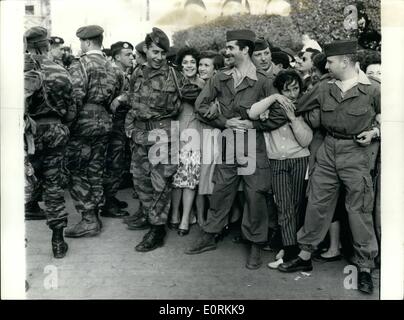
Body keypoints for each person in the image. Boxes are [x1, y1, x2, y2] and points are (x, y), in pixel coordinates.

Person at [278, 40, 380, 295]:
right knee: (317, 203)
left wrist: (376, 132)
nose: (327, 65)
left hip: (357, 153)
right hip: (328, 150)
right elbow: (300, 106)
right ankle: (304, 255)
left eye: (331, 62)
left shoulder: (374, 90)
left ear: (345, 61)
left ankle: (365, 267)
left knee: (359, 210)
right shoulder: (324, 87)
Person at [186, 29, 293, 270]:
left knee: (255, 195)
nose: (227, 51)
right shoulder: (219, 78)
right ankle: (209, 235)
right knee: (221, 191)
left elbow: (280, 113)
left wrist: (253, 123)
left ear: (245, 50)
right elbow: (201, 105)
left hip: (253, 146)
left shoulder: (264, 82)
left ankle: (255, 243)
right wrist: (225, 122)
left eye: (231, 47)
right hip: (227, 144)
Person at [123, 28, 182, 252]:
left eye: (163, 53)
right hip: (139, 136)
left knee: (160, 184)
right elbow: (133, 101)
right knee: (140, 181)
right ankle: (149, 217)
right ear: (146, 49)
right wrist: (129, 127)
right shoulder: (137, 72)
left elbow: (199, 93)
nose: (159, 57)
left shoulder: (174, 75)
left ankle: (157, 229)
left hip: (162, 136)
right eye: (155, 52)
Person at [248, 70, 313, 269]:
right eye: (286, 90)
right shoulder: (272, 108)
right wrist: (274, 97)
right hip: (277, 160)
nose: (292, 94)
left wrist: (293, 118)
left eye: (295, 89)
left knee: (296, 205)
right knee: (283, 206)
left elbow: (306, 141)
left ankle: (290, 249)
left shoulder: (302, 107)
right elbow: (252, 113)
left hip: (299, 159)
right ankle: (290, 250)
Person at [65, 25, 124, 238]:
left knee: (76, 170)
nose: (80, 46)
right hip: (104, 123)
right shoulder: (113, 67)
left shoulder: (80, 65)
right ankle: (95, 213)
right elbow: (118, 95)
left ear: (87, 42)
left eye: (81, 42)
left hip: (82, 124)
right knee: (96, 168)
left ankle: (88, 218)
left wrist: (68, 125)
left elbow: (75, 97)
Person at [24, 26, 75, 258]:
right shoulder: (61, 71)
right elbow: (71, 110)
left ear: (28, 45)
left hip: (27, 134)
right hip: (55, 131)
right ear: (46, 45)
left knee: (21, 185)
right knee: (54, 186)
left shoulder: (17, 69)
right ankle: (57, 241)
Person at [170, 47, 204, 236]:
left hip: (194, 135)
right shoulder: (174, 83)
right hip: (175, 133)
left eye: (193, 62)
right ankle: (175, 215)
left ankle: (185, 219)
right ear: (180, 65)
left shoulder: (204, 84)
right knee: (176, 179)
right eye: (186, 62)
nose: (189, 65)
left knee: (190, 179)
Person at [101, 41, 134, 218]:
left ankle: (110, 198)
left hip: (120, 124)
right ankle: (108, 203)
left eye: (132, 54)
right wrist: (122, 98)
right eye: (127, 54)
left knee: (117, 162)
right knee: (113, 162)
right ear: (116, 57)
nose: (131, 57)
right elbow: (107, 99)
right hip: (114, 125)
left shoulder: (122, 73)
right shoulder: (114, 73)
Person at [195, 51, 224, 226]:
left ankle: (217, 218)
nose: (202, 68)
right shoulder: (196, 87)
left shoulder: (220, 89)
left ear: (216, 69)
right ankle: (200, 216)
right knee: (200, 177)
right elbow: (201, 113)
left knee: (212, 177)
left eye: (207, 65)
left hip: (214, 135)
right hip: (198, 134)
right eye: (201, 65)